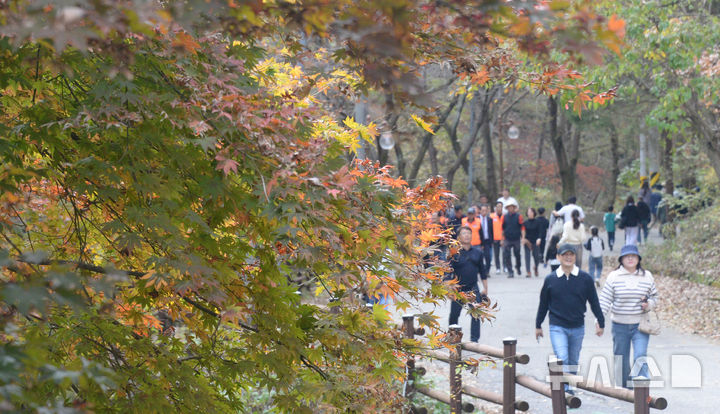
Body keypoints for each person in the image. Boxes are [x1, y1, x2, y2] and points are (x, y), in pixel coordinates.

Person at [536, 244, 605, 393]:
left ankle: (567, 389)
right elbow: (543, 304)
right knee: (562, 358)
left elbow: (594, 301)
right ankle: (564, 391)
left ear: (575, 257)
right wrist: (538, 325)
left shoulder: (585, 278)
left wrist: (601, 322)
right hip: (557, 326)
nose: (568, 257)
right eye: (564, 254)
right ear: (558, 257)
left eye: (571, 254)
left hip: (577, 327)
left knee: (573, 361)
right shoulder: (551, 279)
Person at [598, 245, 658, 389]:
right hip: (620, 324)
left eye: (633, 256)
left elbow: (655, 297)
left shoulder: (647, 276)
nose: (630, 259)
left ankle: (641, 390)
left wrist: (648, 304)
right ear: (621, 259)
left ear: (638, 259)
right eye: (627, 256)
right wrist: (599, 321)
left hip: (640, 325)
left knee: (640, 355)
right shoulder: (614, 276)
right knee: (621, 359)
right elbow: (605, 300)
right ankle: (624, 388)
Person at [448, 226, 488, 343]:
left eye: (469, 233)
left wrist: (485, 288)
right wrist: (449, 289)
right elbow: (447, 272)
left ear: (472, 236)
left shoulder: (478, 252)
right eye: (464, 233)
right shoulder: (454, 253)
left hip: (473, 288)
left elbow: (482, 271)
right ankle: (452, 338)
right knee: (454, 315)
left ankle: (474, 340)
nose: (467, 235)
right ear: (459, 237)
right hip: (458, 289)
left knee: (476, 315)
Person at [501, 200, 525, 278]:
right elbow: (502, 228)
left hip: (516, 238)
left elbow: (522, 227)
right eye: (509, 207)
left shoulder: (519, 216)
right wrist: (502, 239)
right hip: (507, 238)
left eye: (511, 207)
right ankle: (510, 271)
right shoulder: (504, 217)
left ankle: (518, 266)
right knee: (507, 254)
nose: (510, 208)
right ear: (507, 208)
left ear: (514, 208)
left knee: (517, 253)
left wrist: (523, 238)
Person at [523, 207, 543, 277]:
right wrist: (524, 239)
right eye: (528, 212)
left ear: (534, 213)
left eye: (531, 212)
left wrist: (539, 239)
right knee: (527, 257)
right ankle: (528, 271)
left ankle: (536, 267)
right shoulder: (525, 223)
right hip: (527, 241)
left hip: (535, 241)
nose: (529, 213)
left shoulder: (538, 222)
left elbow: (540, 232)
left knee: (536, 257)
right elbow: (523, 232)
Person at [478, 204, 494, 276]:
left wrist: (492, 241)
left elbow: (491, 231)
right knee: (479, 257)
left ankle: (487, 271)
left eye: (485, 210)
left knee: (488, 257)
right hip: (479, 241)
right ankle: (480, 271)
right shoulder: (477, 219)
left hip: (487, 241)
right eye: (483, 210)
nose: (484, 212)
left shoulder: (490, 219)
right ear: (480, 211)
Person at [490, 202, 505, 275]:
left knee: (505, 253)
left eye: (500, 206)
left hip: (504, 238)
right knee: (496, 254)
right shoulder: (492, 216)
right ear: (495, 208)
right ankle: (498, 268)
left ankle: (505, 267)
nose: (499, 208)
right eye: (498, 206)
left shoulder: (505, 216)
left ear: (502, 208)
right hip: (495, 238)